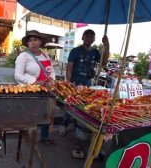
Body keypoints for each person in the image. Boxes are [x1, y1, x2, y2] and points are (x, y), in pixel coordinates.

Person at [61, 29, 110, 158]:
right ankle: (64, 124)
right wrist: (69, 83)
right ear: (82, 37)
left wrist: (107, 45)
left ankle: (81, 130)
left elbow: (104, 63)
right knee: (70, 105)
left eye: (91, 36)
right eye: (86, 35)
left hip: (88, 85)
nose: (88, 38)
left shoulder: (95, 52)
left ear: (94, 39)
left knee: (84, 109)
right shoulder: (75, 51)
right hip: (75, 84)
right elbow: (69, 67)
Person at [14, 30, 56, 145]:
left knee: (46, 113)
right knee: (31, 115)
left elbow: (51, 71)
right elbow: (17, 76)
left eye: (35, 40)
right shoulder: (24, 56)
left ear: (40, 42)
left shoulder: (45, 55)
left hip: (45, 90)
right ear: (27, 44)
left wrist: (52, 78)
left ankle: (44, 137)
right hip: (30, 92)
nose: (33, 43)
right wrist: (35, 82)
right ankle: (27, 135)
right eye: (30, 41)